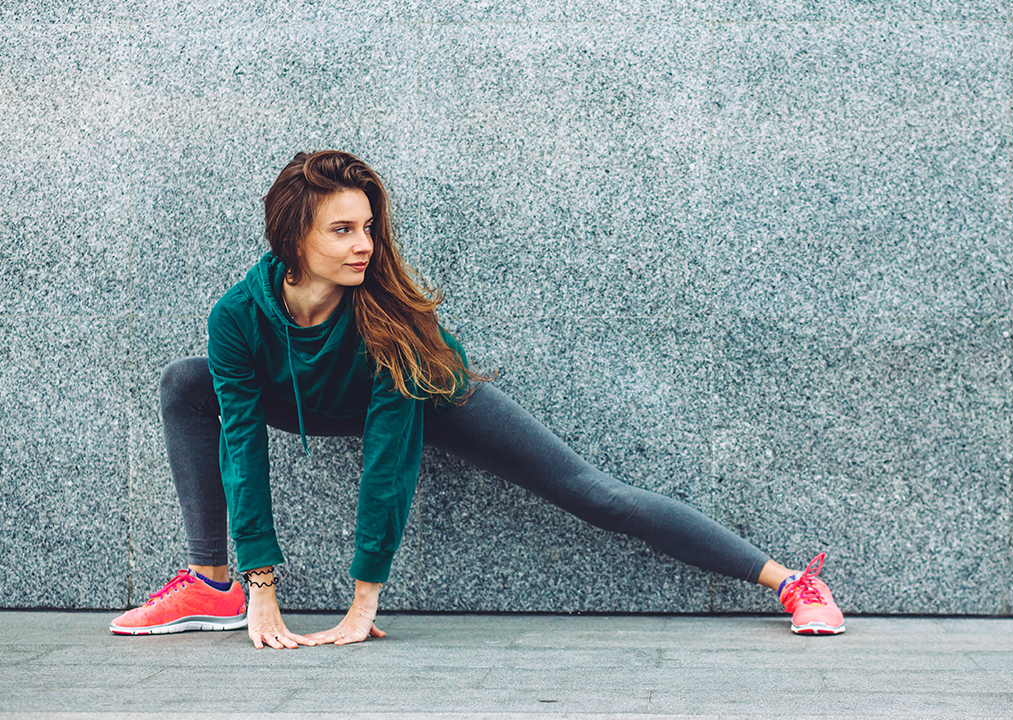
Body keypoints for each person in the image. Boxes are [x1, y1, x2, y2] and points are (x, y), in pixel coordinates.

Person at [109, 150, 845, 646]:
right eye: (343, 230)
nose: (365, 244)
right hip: (304, 393)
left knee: (595, 492)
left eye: (368, 227)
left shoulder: (388, 317)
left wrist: (364, 598)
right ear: (293, 239)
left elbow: (389, 463)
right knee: (186, 381)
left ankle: (791, 583)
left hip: (430, 399)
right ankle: (212, 585)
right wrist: (260, 585)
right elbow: (242, 446)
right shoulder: (238, 316)